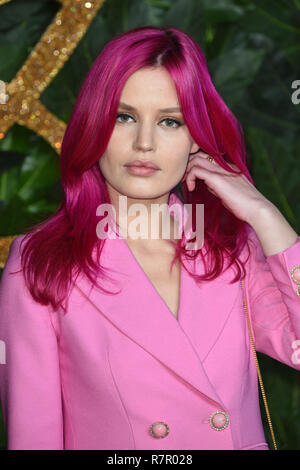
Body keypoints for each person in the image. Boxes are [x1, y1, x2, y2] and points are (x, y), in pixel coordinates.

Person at [0, 25, 299, 451]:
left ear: (196, 136)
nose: (144, 143)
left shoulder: (230, 248)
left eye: (169, 122)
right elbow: (33, 438)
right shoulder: (40, 263)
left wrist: (265, 215)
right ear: (94, 126)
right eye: (124, 117)